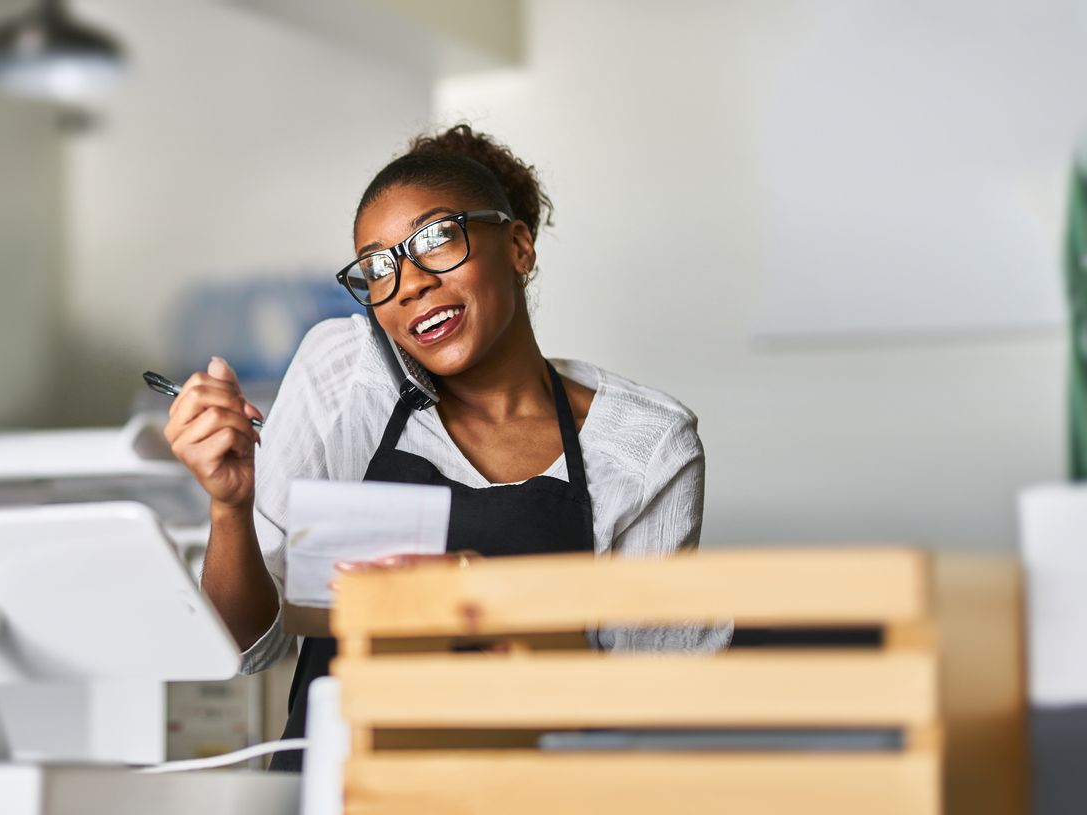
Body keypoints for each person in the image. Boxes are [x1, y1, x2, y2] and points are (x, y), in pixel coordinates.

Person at [161, 124, 730, 772]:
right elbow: (241, 646)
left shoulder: (643, 442)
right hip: (330, 793)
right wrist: (229, 507)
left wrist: (480, 611)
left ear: (518, 246)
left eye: (436, 238)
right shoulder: (346, 372)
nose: (408, 284)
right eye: (377, 268)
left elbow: (658, 707)